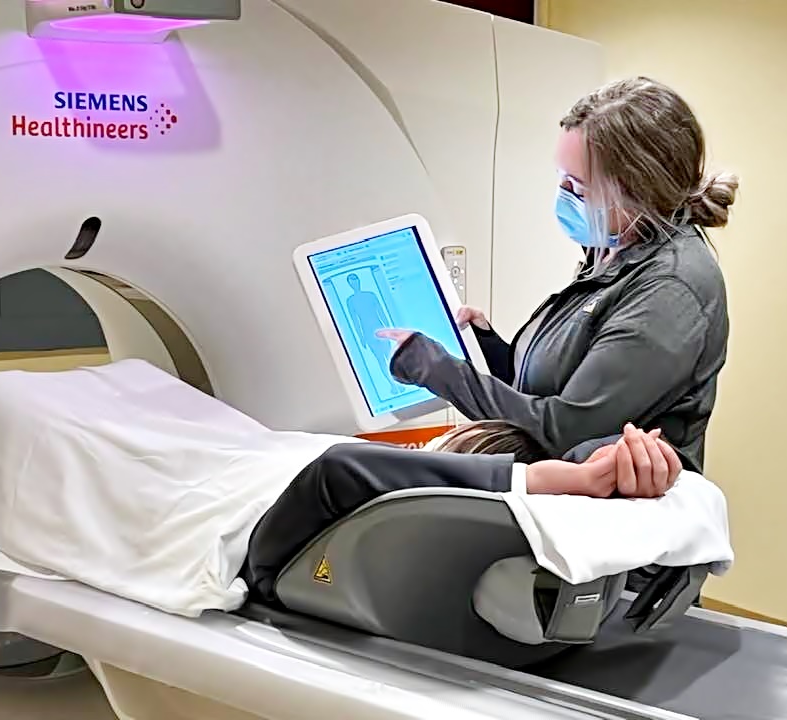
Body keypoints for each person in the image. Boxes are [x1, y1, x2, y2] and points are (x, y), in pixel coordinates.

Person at [376, 77, 738, 474]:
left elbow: (564, 429)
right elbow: (550, 385)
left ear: (637, 188)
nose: (563, 192)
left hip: (623, 508)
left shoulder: (671, 289)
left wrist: (436, 369)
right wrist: (490, 347)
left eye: (577, 184)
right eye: (561, 177)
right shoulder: (615, 249)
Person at [243, 421, 684, 602]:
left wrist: (539, 479)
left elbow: (339, 469)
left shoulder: (289, 549)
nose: (418, 451)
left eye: (430, 452)